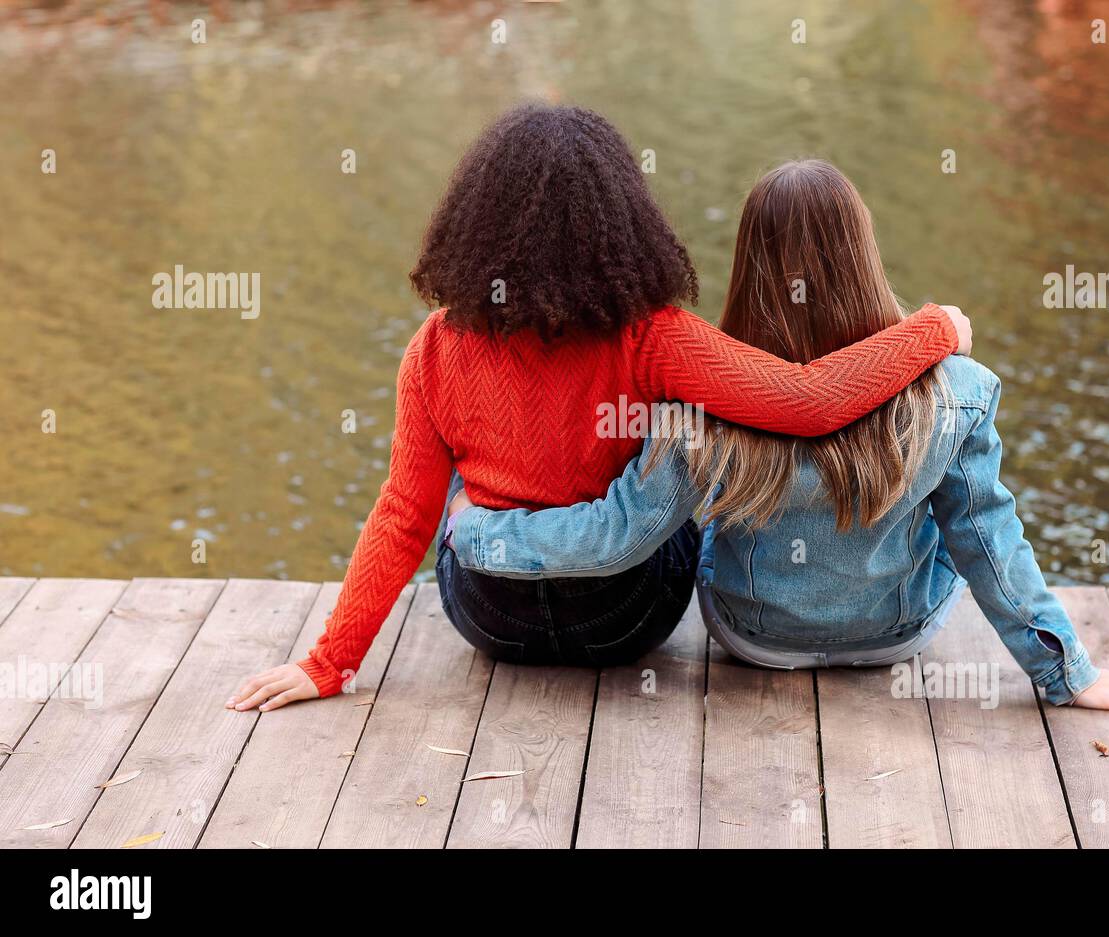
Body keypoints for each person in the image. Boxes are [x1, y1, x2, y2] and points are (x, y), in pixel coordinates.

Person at [227, 110, 969, 712]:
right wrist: (938, 329)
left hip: (493, 618)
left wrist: (331, 661)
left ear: (474, 224)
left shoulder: (435, 348)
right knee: (680, 459)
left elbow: (402, 515)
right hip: (623, 620)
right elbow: (807, 401)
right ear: (621, 221)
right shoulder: (654, 338)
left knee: (448, 487)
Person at [447, 159, 1109, 716]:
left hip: (755, 639)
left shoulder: (700, 404)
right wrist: (1070, 672)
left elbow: (618, 536)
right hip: (898, 633)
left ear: (748, 264)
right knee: (967, 523)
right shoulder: (955, 392)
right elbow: (989, 543)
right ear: (863, 253)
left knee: (686, 524)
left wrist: (480, 534)